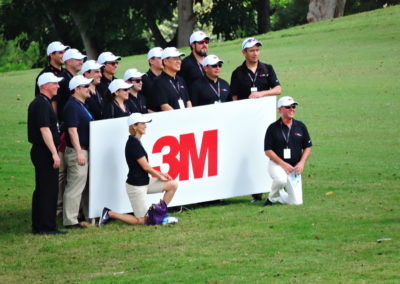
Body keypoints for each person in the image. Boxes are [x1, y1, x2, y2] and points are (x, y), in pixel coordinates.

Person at [99, 113, 178, 226]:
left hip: (144, 182)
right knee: (143, 221)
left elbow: (146, 167)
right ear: (134, 126)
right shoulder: (133, 144)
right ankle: (109, 213)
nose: (145, 126)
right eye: (143, 124)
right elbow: (145, 167)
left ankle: (160, 213)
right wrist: (159, 175)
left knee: (172, 185)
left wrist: (161, 174)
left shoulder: (136, 142)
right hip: (135, 186)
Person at [230, 37, 282, 202]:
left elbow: (278, 89)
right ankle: (256, 191)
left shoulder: (267, 68)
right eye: (251, 50)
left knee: (268, 149)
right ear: (244, 53)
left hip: (264, 118)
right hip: (246, 121)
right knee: (250, 151)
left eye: (257, 50)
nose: (255, 53)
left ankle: (272, 186)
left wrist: (262, 93)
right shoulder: (237, 73)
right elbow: (234, 97)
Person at [28, 72, 66, 235]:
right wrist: (54, 153)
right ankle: (46, 226)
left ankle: (41, 225)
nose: (58, 86)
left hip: (43, 151)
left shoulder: (42, 102)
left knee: (44, 189)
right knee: (48, 190)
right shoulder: (42, 104)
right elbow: (44, 130)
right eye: (54, 83)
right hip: (44, 151)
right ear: (45, 86)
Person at [263, 96, 312, 206]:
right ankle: (271, 199)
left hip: (294, 168)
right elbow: (268, 150)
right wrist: (283, 164)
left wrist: (302, 163)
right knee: (281, 180)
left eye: (293, 106)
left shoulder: (300, 126)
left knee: (296, 202)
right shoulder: (272, 128)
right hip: (277, 165)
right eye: (288, 107)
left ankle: (278, 196)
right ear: (280, 109)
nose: (292, 109)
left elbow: (308, 147)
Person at [62, 75, 94, 229]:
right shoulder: (72, 106)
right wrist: (79, 152)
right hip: (78, 151)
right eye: (85, 86)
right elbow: (72, 131)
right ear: (76, 89)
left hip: (83, 150)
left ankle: (86, 215)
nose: (89, 89)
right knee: (75, 186)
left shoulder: (81, 104)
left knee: (85, 185)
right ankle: (70, 220)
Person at [148, 47, 192, 112]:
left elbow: (188, 101)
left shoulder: (180, 79)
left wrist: (188, 114)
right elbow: (164, 106)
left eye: (179, 58)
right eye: (175, 58)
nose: (179, 61)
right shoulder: (159, 82)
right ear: (165, 61)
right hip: (171, 119)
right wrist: (180, 117)